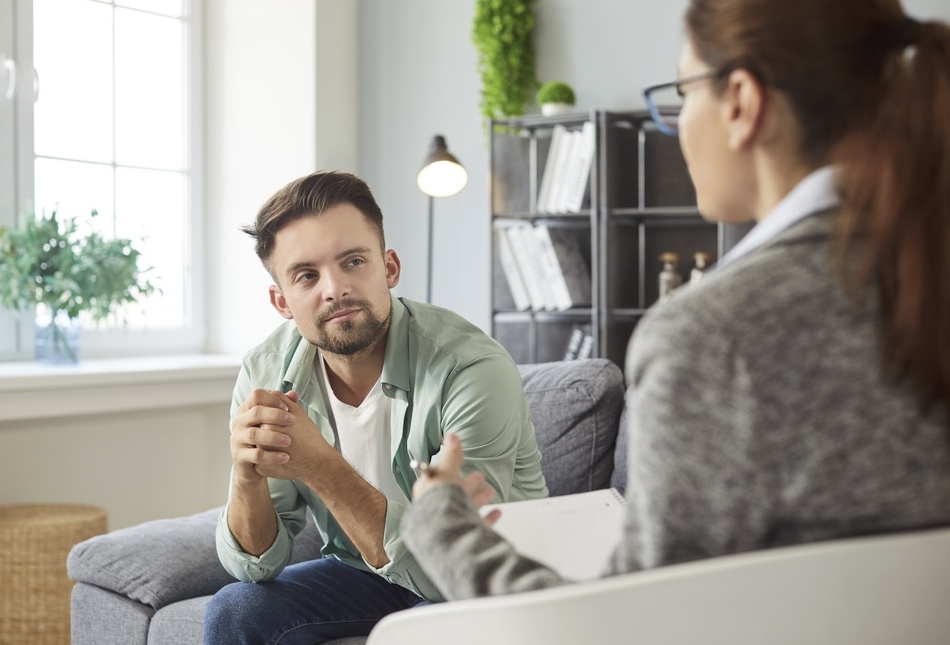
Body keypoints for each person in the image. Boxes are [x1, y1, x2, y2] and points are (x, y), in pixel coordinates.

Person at [402, 0, 950, 600]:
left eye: (684, 93)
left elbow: (622, 640)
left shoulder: (713, 337)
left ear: (740, 102)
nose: (680, 121)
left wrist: (439, 521)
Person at [203, 170, 548, 645]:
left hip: (494, 578)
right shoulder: (266, 372)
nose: (335, 288)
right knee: (235, 611)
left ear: (388, 268)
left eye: (353, 262)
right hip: (368, 574)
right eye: (306, 275)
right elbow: (256, 565)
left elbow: (460, 566)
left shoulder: (472, 368)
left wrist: (319, 465)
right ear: (282, 301)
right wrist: (246, 475)